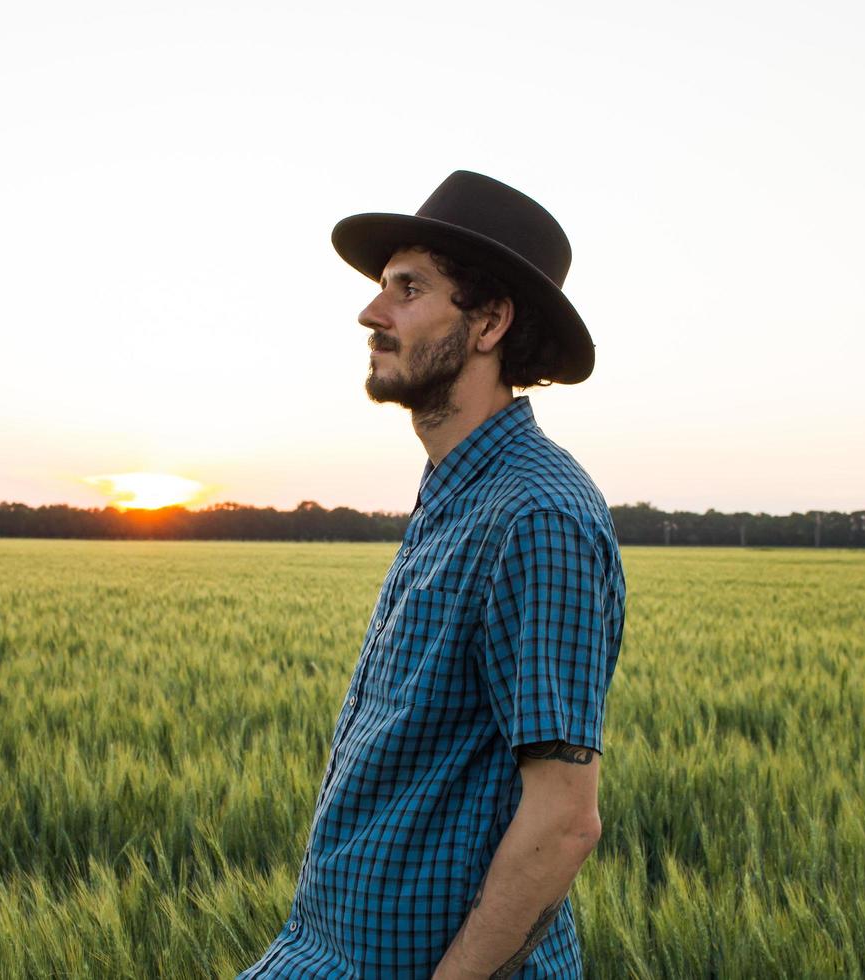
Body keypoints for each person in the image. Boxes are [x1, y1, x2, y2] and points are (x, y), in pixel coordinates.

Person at [238, 170, 626, 979]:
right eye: (383, 287)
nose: (371, 313)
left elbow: (564, 819)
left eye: (408, 289)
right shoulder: (459, 494)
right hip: (327, 956)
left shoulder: (535, 516)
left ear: (488, 323)